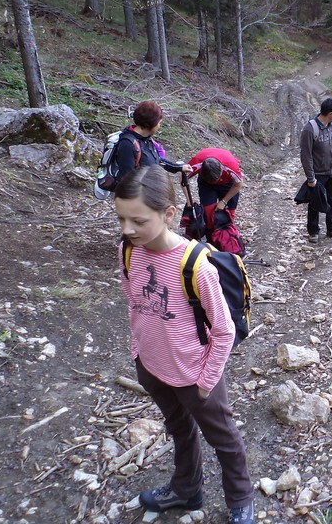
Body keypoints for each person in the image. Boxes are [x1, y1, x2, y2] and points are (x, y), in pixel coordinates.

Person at [114, 166, 255, 523]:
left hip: (195, 375)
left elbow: (223, 330)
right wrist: (138, 353)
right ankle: (187, 489)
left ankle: (240, 499)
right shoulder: (128, 251)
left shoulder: (195, 265)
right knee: (179, 429)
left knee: (223, 439)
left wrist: (206, 380)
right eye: (121, 219)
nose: (127, 229)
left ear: (168, 214)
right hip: (152, 366)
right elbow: (134, 303)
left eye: (138, 221)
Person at [300, 97, 332, 243]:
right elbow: (306, 155)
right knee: (315, 202)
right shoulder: (310, 129)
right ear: (330, 113)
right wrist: (311, 178)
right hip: (318, 173)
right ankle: (313, 232)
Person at [115, 100, 193, 183]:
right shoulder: (128, 144)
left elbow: (157, 160)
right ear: (150, 124)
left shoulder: (146, 139)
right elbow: (125, 181)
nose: (159, 126)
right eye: (159, 123)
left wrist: (179, 167)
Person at [187, 147, 244, 236]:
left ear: (221, 171)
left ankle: (226, 236)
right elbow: (183, 179)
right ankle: (210, 236)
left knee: (229, 212)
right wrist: (188, 199)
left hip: (227, 183)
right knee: (208, 211)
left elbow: (238, 184)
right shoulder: (197, 162)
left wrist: (224, 201)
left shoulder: (231, 166)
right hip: (206, 184)